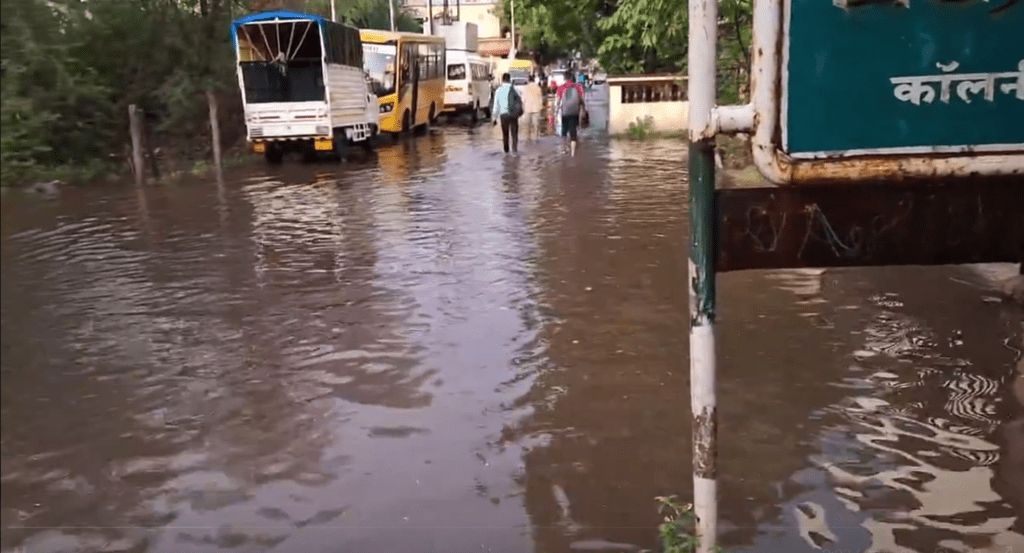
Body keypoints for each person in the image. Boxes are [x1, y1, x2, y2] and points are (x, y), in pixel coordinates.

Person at [555, 71, 586, 156]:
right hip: (575, 112)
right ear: (572, 78)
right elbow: (581, 100)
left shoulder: (561, 88)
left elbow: (557, 102)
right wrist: (583, 110)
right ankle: (572, 154)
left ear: (565, 78)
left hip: (565, 112)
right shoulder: (578, 87)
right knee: (573, 132)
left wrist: (556, 112)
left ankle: (564, 149)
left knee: (564, 132)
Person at [491, 73, 521, 154]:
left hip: (503, 115)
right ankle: (515, 151)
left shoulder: (498, 90)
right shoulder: (515, 89)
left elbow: (496, 106)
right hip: (513, 114)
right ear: (509, 79)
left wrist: (494, 118)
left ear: (502, 79)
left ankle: (506, 153)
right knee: (514, 134)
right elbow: (520, 101)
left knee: (505, 134)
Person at [522, 75, 544, 140]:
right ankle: (536, 137)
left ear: (528, 80)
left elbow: (523, 99)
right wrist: (541, 106)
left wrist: (523, 106)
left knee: (528, 124)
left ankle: (528, 137)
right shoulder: (538, 87)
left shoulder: (525, 87)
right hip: (536, 108)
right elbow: (540, 98)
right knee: (536, 124)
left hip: (528, 107)